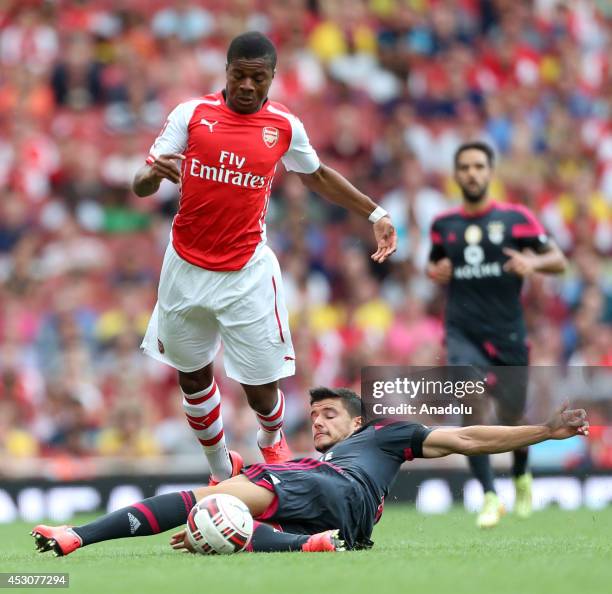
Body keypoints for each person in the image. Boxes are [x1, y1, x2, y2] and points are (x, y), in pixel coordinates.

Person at [131, 32, 397, 482]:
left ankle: (272, 443)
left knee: (260, 388)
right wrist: (153, 177)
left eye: (258, 78)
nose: (248, 86)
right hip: (184, 267)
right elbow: (140, 182)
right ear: (226, 72)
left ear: (273, 77)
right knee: (192, 379)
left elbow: (318, 176)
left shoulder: (284, 127)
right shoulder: (192, 115)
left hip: (245, 272)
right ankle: (220, 471)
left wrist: (374, 212)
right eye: (239, 76)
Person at [31, 387, 588, 555]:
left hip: (338, 491)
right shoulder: (321, 459)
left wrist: (543, 431)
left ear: (358, 419)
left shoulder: (383, 433)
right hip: (347, 524)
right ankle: (308, 545)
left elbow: (466, 437)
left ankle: (78, 536)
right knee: (225, 520)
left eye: (329, 414)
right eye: (313, 414)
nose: (317, 421)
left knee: (204, 500)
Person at [427, 141, 567, 527]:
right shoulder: (444, 226)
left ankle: (521, 475)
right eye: (465, 167)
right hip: (461, 330)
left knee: (511, 416)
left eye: (478, 166)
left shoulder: (515, 219)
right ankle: (489, 496)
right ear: (456, 175)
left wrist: (532, 261)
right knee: (467, 400)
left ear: (490, 172)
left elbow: (558, 260)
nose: (472, 173)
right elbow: (434, 265)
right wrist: (435, 273)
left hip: (507, 332)